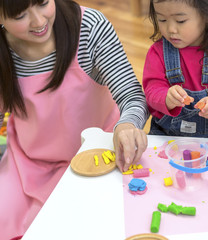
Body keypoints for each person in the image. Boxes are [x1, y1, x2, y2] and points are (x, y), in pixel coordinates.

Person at [0, 0, 149, 239]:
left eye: (43, 3)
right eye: (20, 15)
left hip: (98, 157)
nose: (38, 22)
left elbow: (132, 95)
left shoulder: (90, 27)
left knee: (69, 227)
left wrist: (127, 125)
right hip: (26, 163)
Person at [142, 0, 208, 138]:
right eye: (162, 19)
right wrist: (166, 98)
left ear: (207, 15)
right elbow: (151, 91)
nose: (171, 29)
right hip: (166, 134)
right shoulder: (158, 52)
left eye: (180, 21)